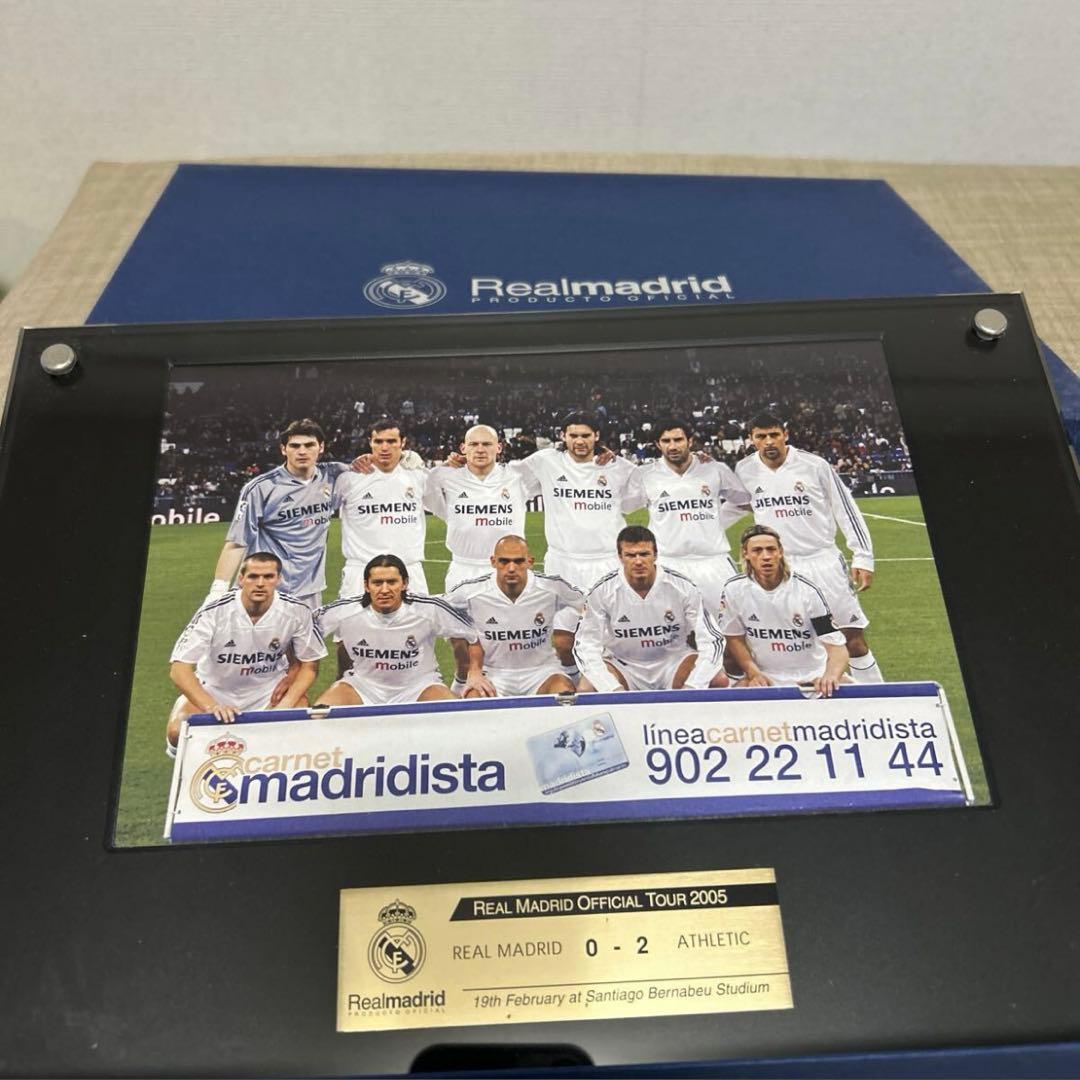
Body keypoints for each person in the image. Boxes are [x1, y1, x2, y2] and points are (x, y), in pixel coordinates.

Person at [734, 411, 883, 683]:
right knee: (789, 643)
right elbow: (731, 506)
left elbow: (845, 509)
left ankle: (879, 699)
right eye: (761, 436)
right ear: (751, 439)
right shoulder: (744, 470)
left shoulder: (814, 465)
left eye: (774, 435)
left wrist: (863, 556)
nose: (769, 442)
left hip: (822, 562)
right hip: (778, 569)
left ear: (785, 435)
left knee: (852, 639)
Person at [166, 552, 326, 755]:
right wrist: (212, 706)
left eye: (268, 577)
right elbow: (179, 669)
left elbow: (310, 665)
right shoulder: (214, 611)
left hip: (267, 692)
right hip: (215, 690)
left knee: (299, 721)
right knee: (178, 732)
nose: (260, 583)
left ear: (279, 579)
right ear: (241, 579)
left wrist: (285, 703)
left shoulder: (296, 611)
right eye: (253, 576)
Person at [208, 419, 349, 610]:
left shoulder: (333, 476)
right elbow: (236, 543)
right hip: (267, 589)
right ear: (284, 449)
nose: (302, 451)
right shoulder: (261, 488)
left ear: (321, 447)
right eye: (295, 446)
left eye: (309, 445)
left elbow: (370, 467)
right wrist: (217, 591)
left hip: (309, 591)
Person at [314, 554, 488, 706]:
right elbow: (307, 632)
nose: (384, 589)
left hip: (419, 686)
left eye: (392, 582)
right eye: (377, 583)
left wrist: (474, 671)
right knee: (319, 714)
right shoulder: (344, 611)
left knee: (452, 715)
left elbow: (472, 634)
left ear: (404, 583)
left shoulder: (429, 609)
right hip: (363, 685)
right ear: (366, 585)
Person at [573, 525, 728, 693]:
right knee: (586, 688)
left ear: (655, 555)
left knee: (718, 679)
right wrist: (613, 689)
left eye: (644, 554)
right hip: (623, 664)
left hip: (673, 662)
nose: (638, 561)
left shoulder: (683, 587)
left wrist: (693, 686)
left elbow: (712, 640)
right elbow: (586, 646)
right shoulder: (602, 591)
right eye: (630, 555)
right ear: (620, 557)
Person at [628, 417, 750, 611]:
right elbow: (620, 506)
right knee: (670, 626)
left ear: (690, 441)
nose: (672, 446)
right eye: (666, 441)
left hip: (713, 563)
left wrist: (721, 519)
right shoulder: (645, 475)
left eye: (678, 440)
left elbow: (745, 501)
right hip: (668, 563)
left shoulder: (715, 469)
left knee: (727, 624)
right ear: (658, 444)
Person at [513, 412, 640, 591]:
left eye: (586, 436)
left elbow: (652, 486)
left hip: (607, 561)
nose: (580, 441)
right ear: (562, 436)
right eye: (573, 436)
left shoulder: (617, 467)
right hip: (561, 563)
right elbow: (505, 478)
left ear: (596, 436)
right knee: (561, 610)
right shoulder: (546, 462)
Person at [718, 525, 849, 696]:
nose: (766, 556)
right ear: (745, 554)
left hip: (812, 676)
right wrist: (753, 673)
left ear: (780, 552)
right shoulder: (734, 590)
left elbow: (836, 646)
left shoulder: (807, 591)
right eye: (757, 550)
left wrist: (830, 676)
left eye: (771, 549)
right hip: (767, 677)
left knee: (855, 695)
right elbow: (734, 638)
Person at [447, 535, 583, 697]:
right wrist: (472, 668)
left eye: (518, 561)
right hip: (493, 674)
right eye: (504, 561)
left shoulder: (551, 587)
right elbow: (438, 613)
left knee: (564, 692)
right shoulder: (471, 592)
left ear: (530, 562)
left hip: (542, 672)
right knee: (474, 697)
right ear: (493, 561)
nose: (511, 568)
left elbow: (591, 605)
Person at [424, 425, 541, 591]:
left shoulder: (517, 476)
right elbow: (428, 498)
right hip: (463, 570)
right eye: (473, 444)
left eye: (487, 444)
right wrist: (446, 464)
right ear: (463, 448)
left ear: (499, 447)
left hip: (508, 569)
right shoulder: (445, 477)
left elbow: (553, 469)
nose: (480, 450)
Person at [334, 418, 430, 599]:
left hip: (409, 570)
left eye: (391, 441)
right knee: (354, 619)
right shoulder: (348, 479)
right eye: (378, 441)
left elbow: (451, 501)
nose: (384, 447)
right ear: (370, 442)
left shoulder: (418, 477)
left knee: (418, 618)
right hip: (360, 571)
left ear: (403, 442)